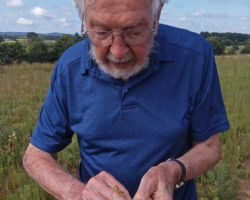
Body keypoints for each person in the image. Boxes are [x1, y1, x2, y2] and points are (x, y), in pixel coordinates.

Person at [23, 0, 230, 199]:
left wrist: (173, 171)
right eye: (102, 32)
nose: (118, 51)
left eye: (134, 32)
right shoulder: (70, 67)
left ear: (156, 17)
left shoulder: (195, 56)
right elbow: (36, 156)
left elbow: (210, 147)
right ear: (84, 21)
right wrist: (77, 193)